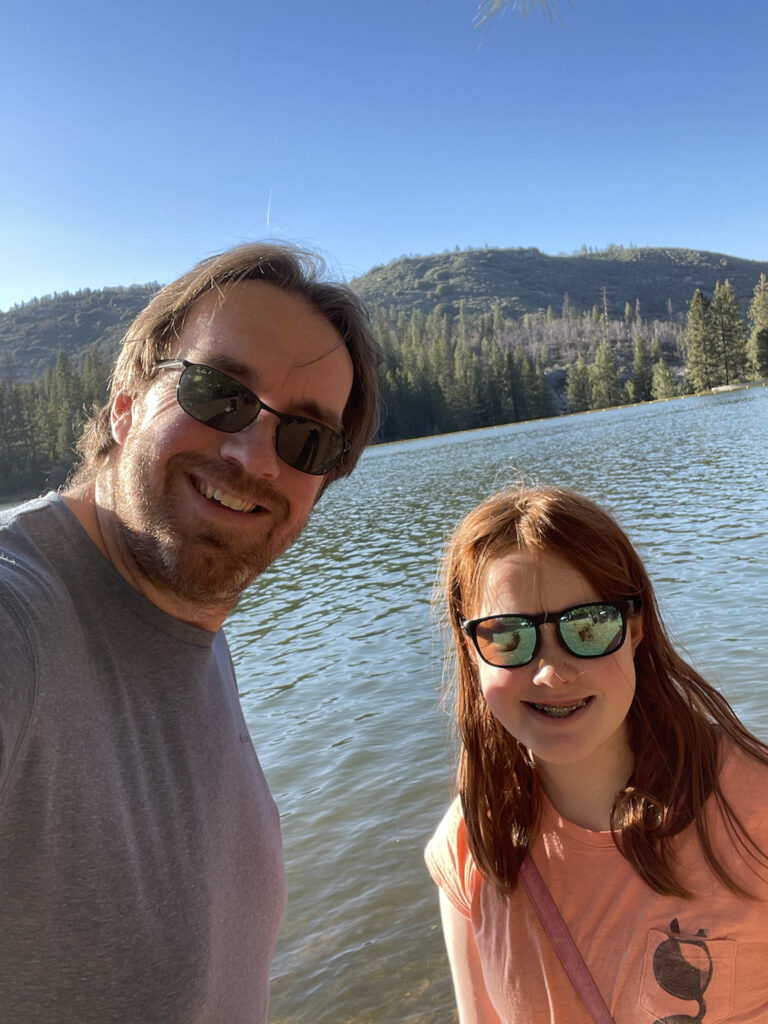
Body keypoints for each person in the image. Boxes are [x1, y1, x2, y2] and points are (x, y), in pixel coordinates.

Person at [0, 242, 381, 1024]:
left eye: (306, 440)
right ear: (127, 399)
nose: (254, 458)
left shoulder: (191, 622)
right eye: (218, 393)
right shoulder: (23, 621)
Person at [425, 485, 768, 1023]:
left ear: (635, 629)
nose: (551, 672)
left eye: (588, 627)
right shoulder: (472, 845)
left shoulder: (754, 810)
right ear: (471, 652)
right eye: (508, 638)